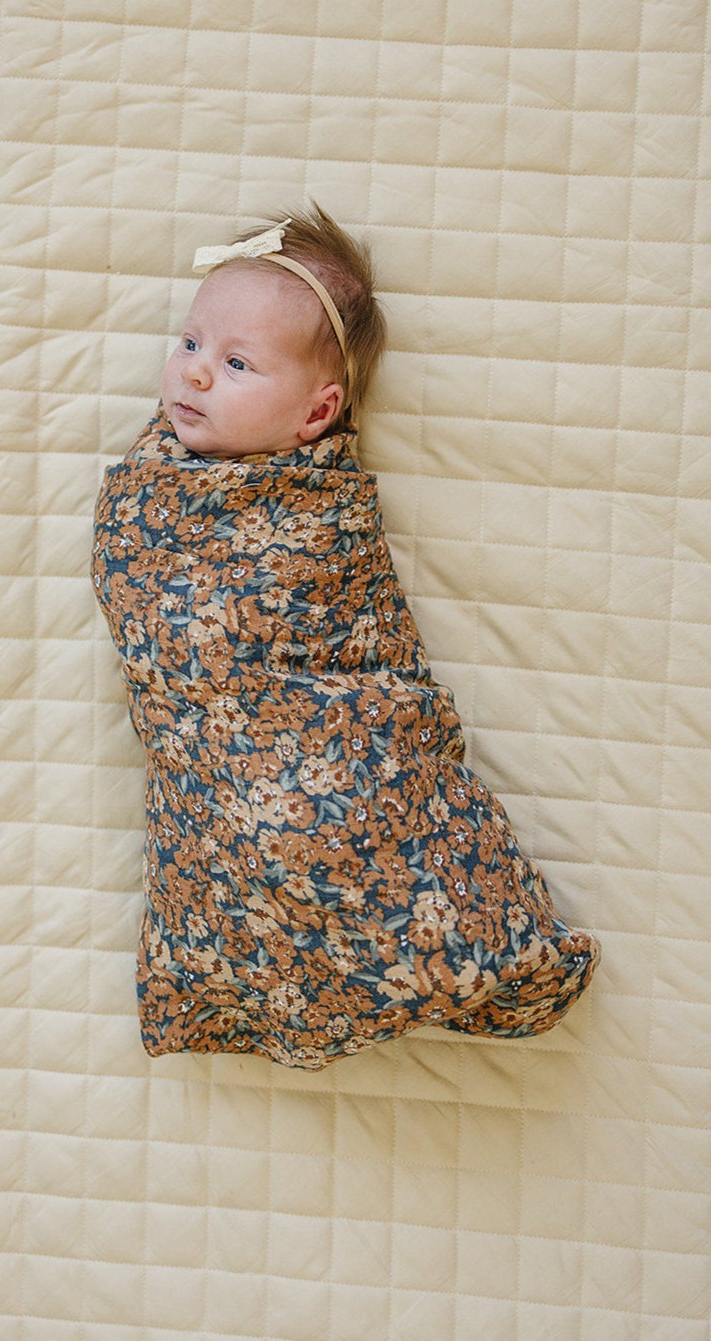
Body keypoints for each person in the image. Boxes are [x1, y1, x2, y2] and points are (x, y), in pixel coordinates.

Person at [92, 204, 600, 1070]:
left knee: (386, 833)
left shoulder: (324, 516)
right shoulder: (160, 479)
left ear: (315, 413)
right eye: (190, 343)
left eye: (237, 362)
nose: (195, 372)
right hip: (210, 796)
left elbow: (363, 645)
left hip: (340, 764)